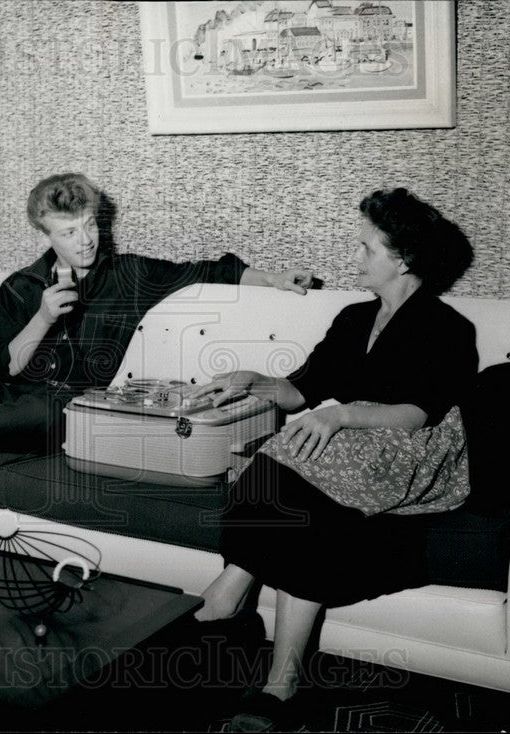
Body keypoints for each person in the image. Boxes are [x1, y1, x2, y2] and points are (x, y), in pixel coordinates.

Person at [0, 172, 314, 525]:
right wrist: (42, 315)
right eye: (69, 232)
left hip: (69, 409)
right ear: (47, 234)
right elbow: (3, 366)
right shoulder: (19, 286)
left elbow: (212, 269)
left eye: (91, 225)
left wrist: (272, 277)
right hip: (6, 399)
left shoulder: (129, 275)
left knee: (32, 410)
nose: (87, 241)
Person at [187, 187, 477, 731]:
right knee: (287, 475)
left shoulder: (447, 329)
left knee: (298, 453)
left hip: (407, 458)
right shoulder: (351, 319)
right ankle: (281, 684)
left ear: (403, 259)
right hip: (348, 459)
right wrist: (255, 378)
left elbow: (418, 414)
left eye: (367, 248)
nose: (356, 258)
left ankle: (227, 599)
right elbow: (303, 388)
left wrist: (341, 415)